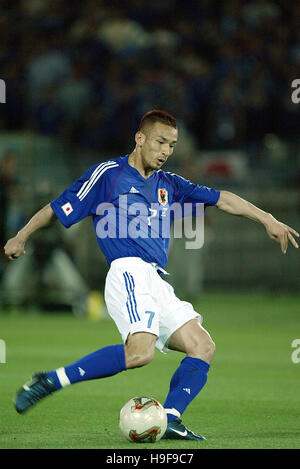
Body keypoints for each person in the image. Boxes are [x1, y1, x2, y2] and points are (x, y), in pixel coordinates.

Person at [4, 110, 299, 441]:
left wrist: (267, 218)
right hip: (127, 270)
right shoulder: (108, 175)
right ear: (140, 138)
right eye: (160, 142)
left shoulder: (168, 184)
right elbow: (58, 208)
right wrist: (22, 235)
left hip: (157, 280)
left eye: (172, 145)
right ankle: (49, 380)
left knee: (202, 346)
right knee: (139, 354)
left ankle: (171, 417)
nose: (165, 151)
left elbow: (223, 199)